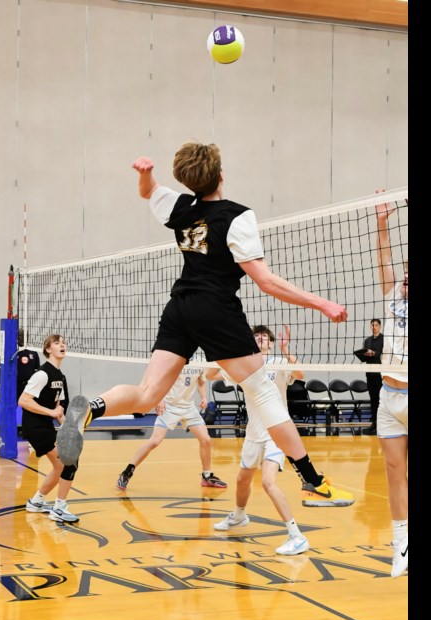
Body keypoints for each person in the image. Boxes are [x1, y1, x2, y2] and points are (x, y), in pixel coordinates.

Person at [57, 142, 354, 508]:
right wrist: (321, 302)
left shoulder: (180, 207)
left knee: (148, 393)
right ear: (221, 175)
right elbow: (265, 281)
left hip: (179, 307)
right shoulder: (237, 216)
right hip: (216, 309)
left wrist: (147, 173)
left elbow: (148, 191)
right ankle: (313, 482)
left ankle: (92, 409)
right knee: (263, 392)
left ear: (189, 180)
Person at [209, 324, 311, 555]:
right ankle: (239, 515)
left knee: (268, 482)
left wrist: (286, 350)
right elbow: (209, 375)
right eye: (256, 337)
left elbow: (301, 375)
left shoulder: (280, 363)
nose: (261, 340)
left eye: (265, 337)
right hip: (253, 434)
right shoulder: (244, 367)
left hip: (276, 433)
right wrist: (226, 353)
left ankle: (296, 535)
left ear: (271, 343)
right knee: (242, 480)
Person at [115, 363, 227, 491]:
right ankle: (127, 472)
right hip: (169, 407)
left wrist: (204, 398)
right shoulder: (174, 360)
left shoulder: (199, 362)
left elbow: (201, 382)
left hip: (189, 408)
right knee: (155, 441)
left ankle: (207, 477)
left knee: (206, 440)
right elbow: (158, 383)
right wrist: (159, 400)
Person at [375, 189, 408, 577]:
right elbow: (383, 256)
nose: (404, 279)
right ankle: (401, 542)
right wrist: (382, 222)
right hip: (388, 396)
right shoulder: (391, 298)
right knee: (392, 470)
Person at [19, 334, 81, 523]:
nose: (62, 345)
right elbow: (23, 400)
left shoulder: (60, 376)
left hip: (45, 426)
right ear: (48, 349)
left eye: (63, 343)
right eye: (57, 343)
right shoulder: (42, 374)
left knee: (60, 466)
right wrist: (51, 413)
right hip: (35, 427)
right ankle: (59, 508)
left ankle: (36, 502)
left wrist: (69, 428)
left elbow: (58, 410)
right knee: (69, 463)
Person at [361, 318, 384, 435]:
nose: (374, 327)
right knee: (373, 400)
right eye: (372, 325)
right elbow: (364, 357)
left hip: (380, 374)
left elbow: (385, 355)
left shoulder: (384, 339)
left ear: (379, 326)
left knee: (381, 400)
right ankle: (374, 423)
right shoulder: (367, 341)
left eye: (376, 325)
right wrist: (364, 354)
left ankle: (381, 424)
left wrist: (374, 353)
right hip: (370, 374)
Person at [15, 328, 41, 403]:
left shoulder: (33, 351)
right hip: (15, 386)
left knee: (28, 409)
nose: (21, 338)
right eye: (20, 336)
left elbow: (37, 369)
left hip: (29, 386)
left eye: (24, 336)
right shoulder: (12, 351)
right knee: (11, 408)